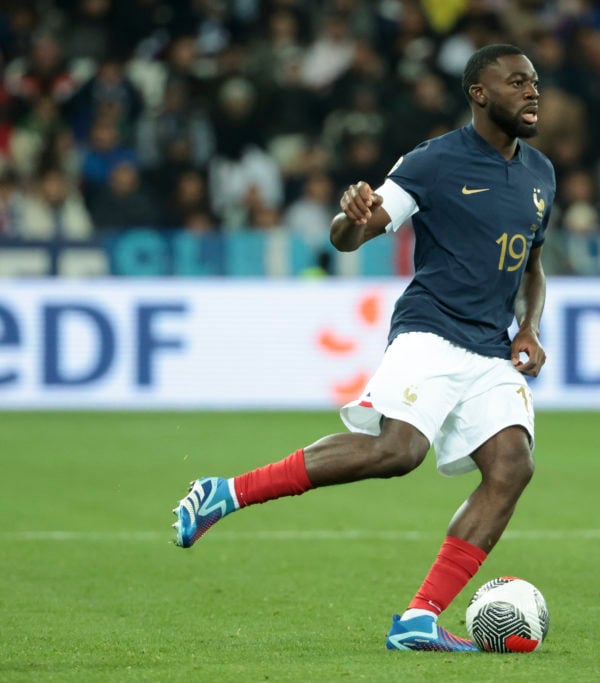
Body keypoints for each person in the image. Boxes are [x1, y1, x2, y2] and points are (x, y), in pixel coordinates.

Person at [171, 44, 554, 653]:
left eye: (534, 82)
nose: (532, 92)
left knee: (512, 467)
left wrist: (529, 326)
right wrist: (349, 217)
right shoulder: (433, 162)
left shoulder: (540, 174)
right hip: (431, 331)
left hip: (491, 347)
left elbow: (532, 264)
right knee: (398, 451)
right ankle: (228, 491)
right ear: (479, 94)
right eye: (516, 83)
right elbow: (353, 235)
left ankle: (419, 620)